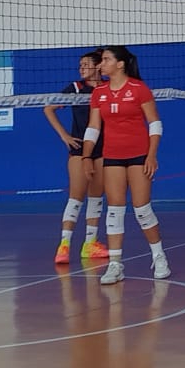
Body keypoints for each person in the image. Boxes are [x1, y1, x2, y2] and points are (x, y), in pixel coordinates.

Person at [84, 46, 171, 285]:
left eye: (106, 60)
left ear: (120, 64)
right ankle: (115, 265)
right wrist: (86, 156)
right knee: (114, 210)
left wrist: (151, 156)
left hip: (139, 155)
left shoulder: (138, 89)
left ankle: (159, 256)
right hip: (112, 156)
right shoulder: (99, 93)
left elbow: (155, 123)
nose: (101, 64)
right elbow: (93, 127)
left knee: (142, 209)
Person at [44, 49, 110, 266]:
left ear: (98, 66)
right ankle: (64, 244)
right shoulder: (75, 88)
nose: (81, 68)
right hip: (80, 150)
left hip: (103, 150)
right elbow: (49, 109)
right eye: (80, 65)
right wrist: (64, 136)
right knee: (76, 196)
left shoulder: (108, 88)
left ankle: (90, 244)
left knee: (96, 196)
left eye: (86, 64)